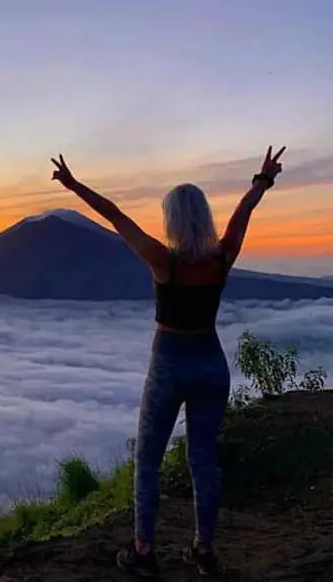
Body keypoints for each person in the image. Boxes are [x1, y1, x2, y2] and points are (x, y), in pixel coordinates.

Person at [50, 145, 286, 578]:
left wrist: (73, 185)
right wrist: (263, 179)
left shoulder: (164, 262)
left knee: (149, 460)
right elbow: (244, 209)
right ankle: (204, 550)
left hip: (169, 364)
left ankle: (144, 552)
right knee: (203, 461)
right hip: (211, 363)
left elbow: (116, 216)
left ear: (173, 220)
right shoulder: (222, 257)